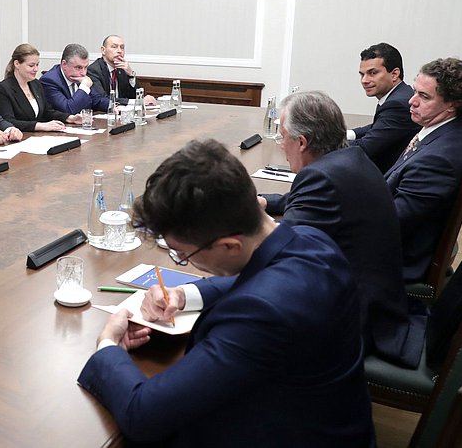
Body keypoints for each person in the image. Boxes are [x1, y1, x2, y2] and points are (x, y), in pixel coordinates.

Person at [78, 139, 375, 447]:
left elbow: (142, 414)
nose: (185, 262)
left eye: (182, 254)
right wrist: (182, 294)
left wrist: (108, 345)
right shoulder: (311, 240)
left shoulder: (260, 316)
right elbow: (260, 280)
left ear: (230, 245)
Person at [261, 91, 423, 367]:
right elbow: (306, 203)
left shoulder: (319, 177)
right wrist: (265, 202)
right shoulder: (350, 160)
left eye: (281, 137)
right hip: (379, 301)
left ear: (301, 142)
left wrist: (241, 224)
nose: (280, 146)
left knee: (239, 320)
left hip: (354, 318)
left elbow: (279, 251)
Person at [386, 57, 462, 282]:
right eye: (415, 91)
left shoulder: (440, 158)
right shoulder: (440, 133)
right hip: (403, 244)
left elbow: (392, 222)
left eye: (424, 96)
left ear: (452, 105)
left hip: (398, 260)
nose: (411, 101)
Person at [347, 43, 419, 173]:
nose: (364, 80)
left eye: (372, 73)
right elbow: (380, 126)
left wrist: (324, 142)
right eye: (362, 74)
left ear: (394, 74)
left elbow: (364, 149)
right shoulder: (401, 94)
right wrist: (350, 134)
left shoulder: (397, 105)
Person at [0, 43, 81, 132]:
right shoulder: (3, 89)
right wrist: (39, 126)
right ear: (17, 64)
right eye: (31, 66)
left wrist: (70, 118)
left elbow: (47, 111)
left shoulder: (36, 84)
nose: (36, 69)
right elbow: (8, 122)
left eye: (37, 65)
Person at [40, 43, 111, 115]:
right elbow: (68, 110)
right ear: (64, 64)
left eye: (85, 67)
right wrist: (84, 87)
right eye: (78, 67)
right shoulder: (49, 81)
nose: (83, 73)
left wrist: (114, 106)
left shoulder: (78, 77)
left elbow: (97, 101)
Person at [87, 35, 157, 106]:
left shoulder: (122, 69)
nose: (119, 51)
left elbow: (135, 95)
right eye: (114, 47)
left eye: (122, 47)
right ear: (103, 50)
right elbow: (103, 99)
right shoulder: (94, 70)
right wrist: (136, 102)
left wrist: (130, 75)